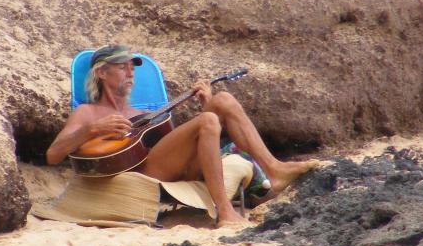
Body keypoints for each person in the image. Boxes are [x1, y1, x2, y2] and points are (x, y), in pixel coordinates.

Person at [45, 45, 319, 227]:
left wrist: (206, 105)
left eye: (132, 67)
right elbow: (53, 155)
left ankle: (274, 169)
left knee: (222, 101)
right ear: (101, 73)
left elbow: (182, 144)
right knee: (208, 119)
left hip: (171, 165)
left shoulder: (143, 113)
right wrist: (91, 129)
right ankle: (225, 211)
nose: (130, 73)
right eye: (122, 67)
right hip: (143, 171)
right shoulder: (87, 112)